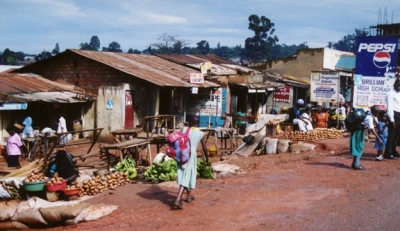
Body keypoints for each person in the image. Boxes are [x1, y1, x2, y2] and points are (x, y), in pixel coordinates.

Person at [174, 118, 208, 209]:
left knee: (185, 174)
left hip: (181, 153)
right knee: (187, 175)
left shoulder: (184, 129)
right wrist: (207, 159)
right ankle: (178, 199)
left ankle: (189, 196)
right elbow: (204, 148)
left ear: (191, 123)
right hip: (190, 155)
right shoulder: (201, 133)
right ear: (197, 123)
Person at [350, 105, 381, 170]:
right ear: (374, 112)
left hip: (359, 130)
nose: (378, 114)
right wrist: (378, 138)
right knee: (359, 146)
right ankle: (356, 164)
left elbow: (376, 121)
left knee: (358, 146)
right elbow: (372, 129)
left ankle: (354, 163)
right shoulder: (369, 117)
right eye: (377, 113)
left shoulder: (369, 112)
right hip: (358, 131)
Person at [384, 78, 400, 160]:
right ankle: (388, 153)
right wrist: (392, 119)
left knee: (397, 135)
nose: (399, 87)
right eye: (398, 85)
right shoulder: (390, 93)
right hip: (394, 115)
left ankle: (394, 150)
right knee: (391, 135)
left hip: (399, 114)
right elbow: (390, 107)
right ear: (395, 85)